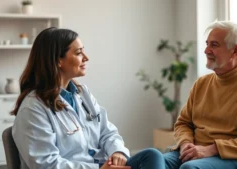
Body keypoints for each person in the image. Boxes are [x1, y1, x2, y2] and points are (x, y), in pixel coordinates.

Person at [11, 27, 165, 169]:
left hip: (101, 164)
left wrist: (118, 152)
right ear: (58, 60)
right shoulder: (33, 108)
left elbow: (107, 132)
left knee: (152, 155)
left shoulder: (82, 93)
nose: (86, 57)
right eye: (78, 53)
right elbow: (46, 164)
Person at [163, 21, 237, 169]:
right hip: (194, 153)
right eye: (207, 44)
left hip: (233, 160)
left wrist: (210, 149)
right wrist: (186, 144)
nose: (206, 50)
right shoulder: (201, 83)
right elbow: (183, 123)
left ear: (235, 51)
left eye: (214, 45)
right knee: (152, 159)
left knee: (190, 168)